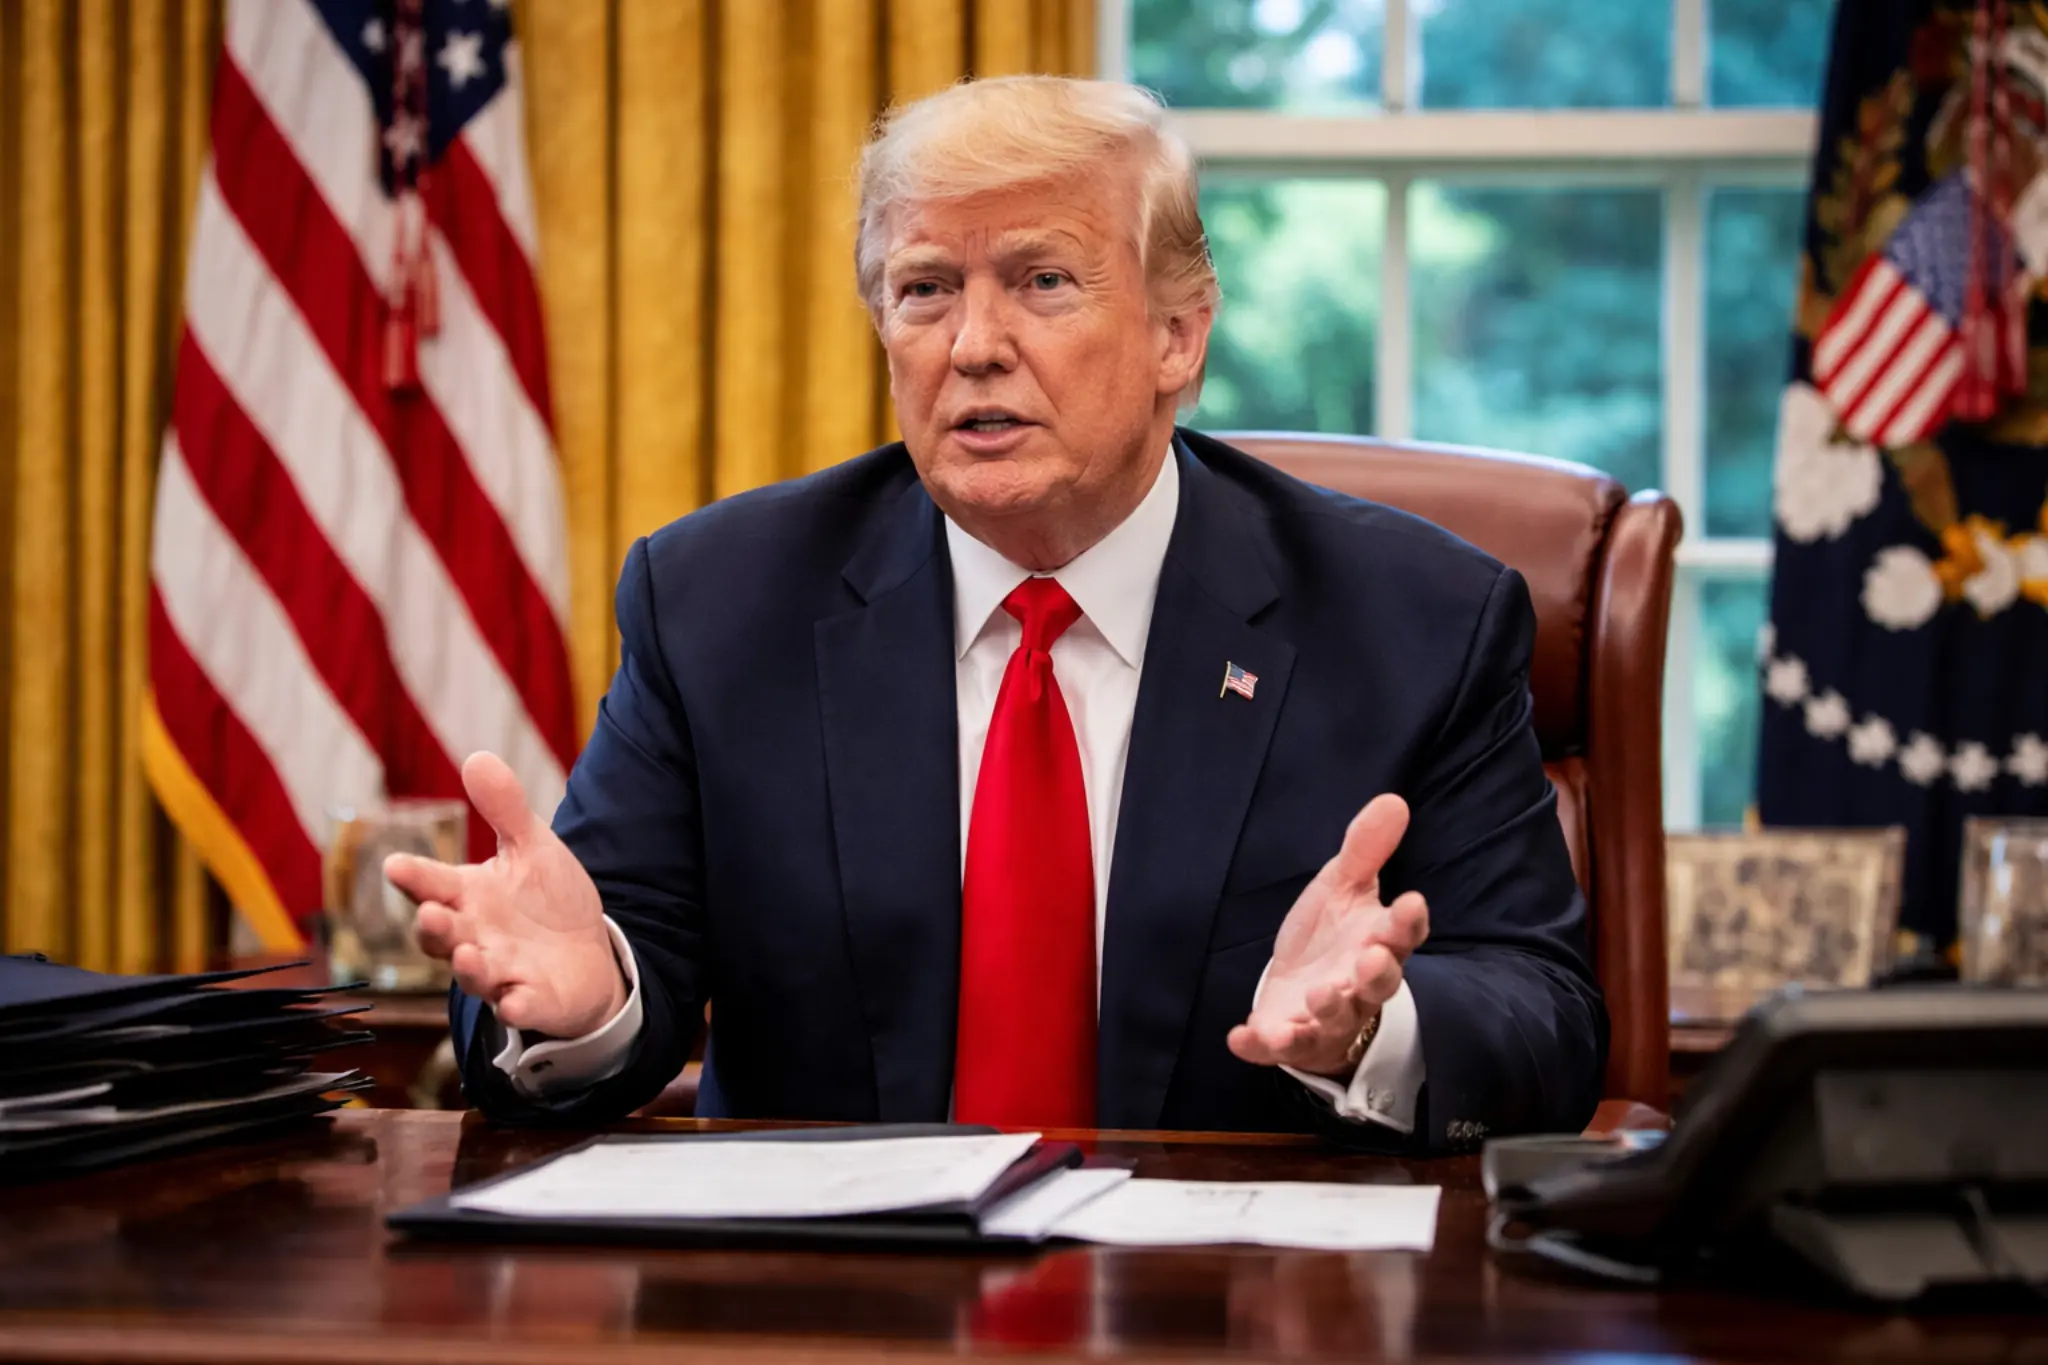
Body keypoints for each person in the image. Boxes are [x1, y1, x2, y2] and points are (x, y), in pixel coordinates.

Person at [384, 76, 1606, 1152]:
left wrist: (1368, 1029)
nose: (973, 345)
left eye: (1042, 281)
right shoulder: (718, 604)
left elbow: (1539, 1008)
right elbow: (603, 960)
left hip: (1230, 1312)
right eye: (924, 289)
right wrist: (592, 1004)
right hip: (847, 1314)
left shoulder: (1415, 622)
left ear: (1178, 335)